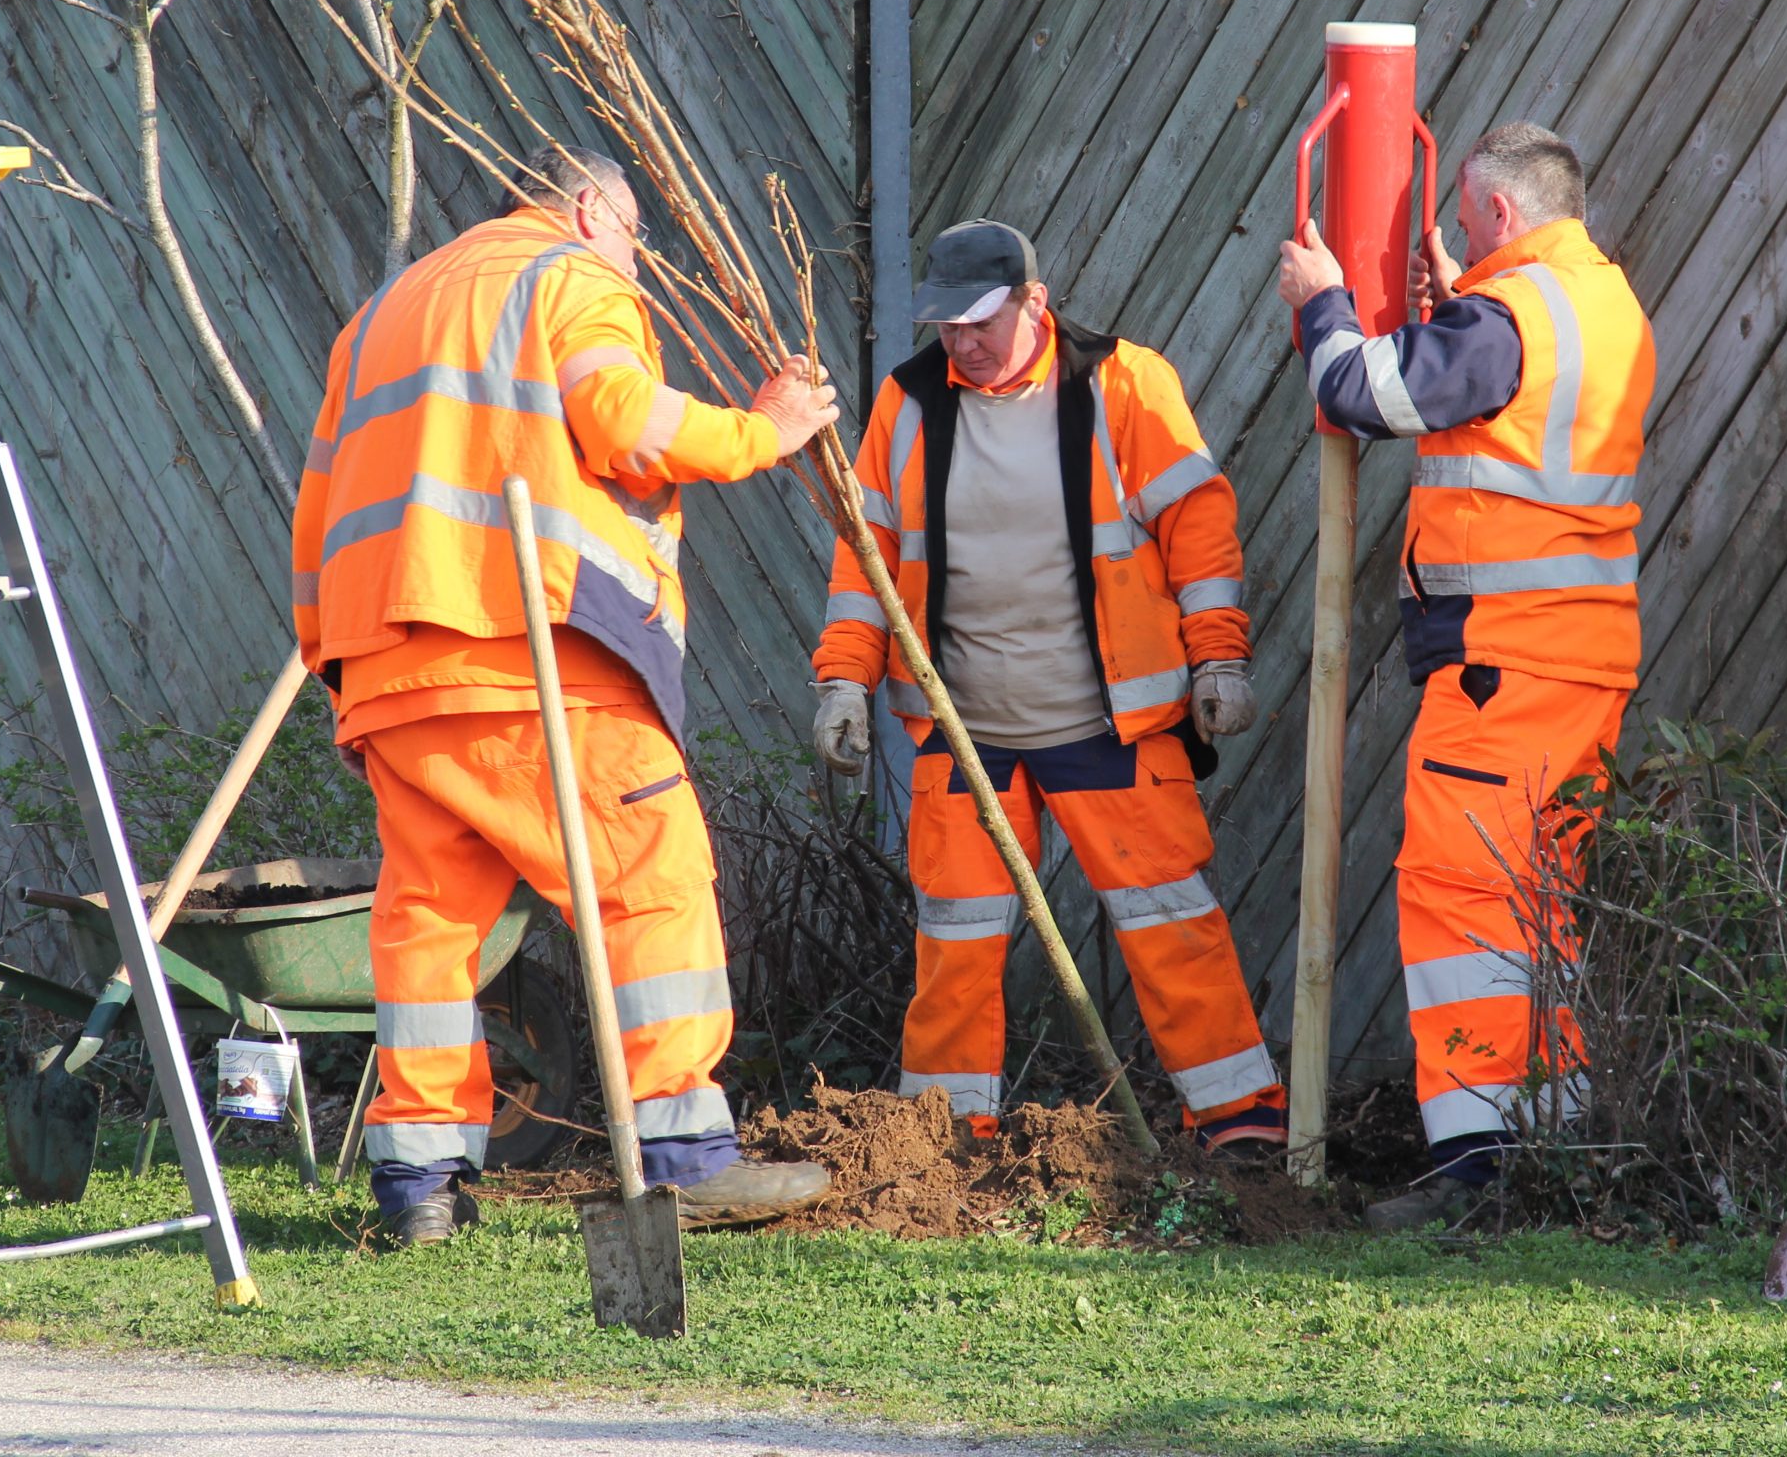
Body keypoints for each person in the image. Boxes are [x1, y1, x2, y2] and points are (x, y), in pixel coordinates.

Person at [292, 143, 840, 1245]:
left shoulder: (386, 310)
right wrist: (762, 433)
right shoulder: (570, 275)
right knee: (653, 876)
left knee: (430, 927)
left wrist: (333, 656)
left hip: (392, 663)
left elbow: (320, 501)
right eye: (634, 236)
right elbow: (625, 420)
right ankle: (685, 1153)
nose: (638, 262)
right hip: (534, 655)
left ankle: (419, 1187)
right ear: (590, 208)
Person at [810, 219, 1287, 1151]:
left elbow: (1198, 525)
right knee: (954, 942)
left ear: (1037, 301)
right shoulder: (907, 406)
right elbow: (863, 562)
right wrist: (842, 682)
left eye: (981, 321)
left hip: (1111, 727)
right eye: (946, 324)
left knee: (1172, 924)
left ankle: (1243, 1130)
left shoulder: (1121, 385)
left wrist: (1219, 656)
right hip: (962, 734)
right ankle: (937, 1146)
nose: (962, 342)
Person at [1277, 121, 1654, 1229]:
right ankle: (1560, 1144)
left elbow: (1365, 392)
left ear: (1494, 213)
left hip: (1504, 665)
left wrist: (1320, 298)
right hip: (1579, 662)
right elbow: (1506, 400)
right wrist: (1460, 300)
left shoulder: (1512, 318)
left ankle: (1479, 1167)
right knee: (1541, 907)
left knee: (1461, 901)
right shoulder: (1605, 306)